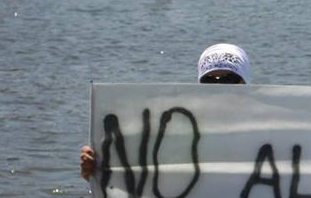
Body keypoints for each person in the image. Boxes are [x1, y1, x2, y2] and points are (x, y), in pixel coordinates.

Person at [80, 43, 251, 180]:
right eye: (210, 81)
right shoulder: (177, 128)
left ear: (245, 81)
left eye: (229, 79)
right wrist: (98, 171)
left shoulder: (272, 130)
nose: (220, 87)